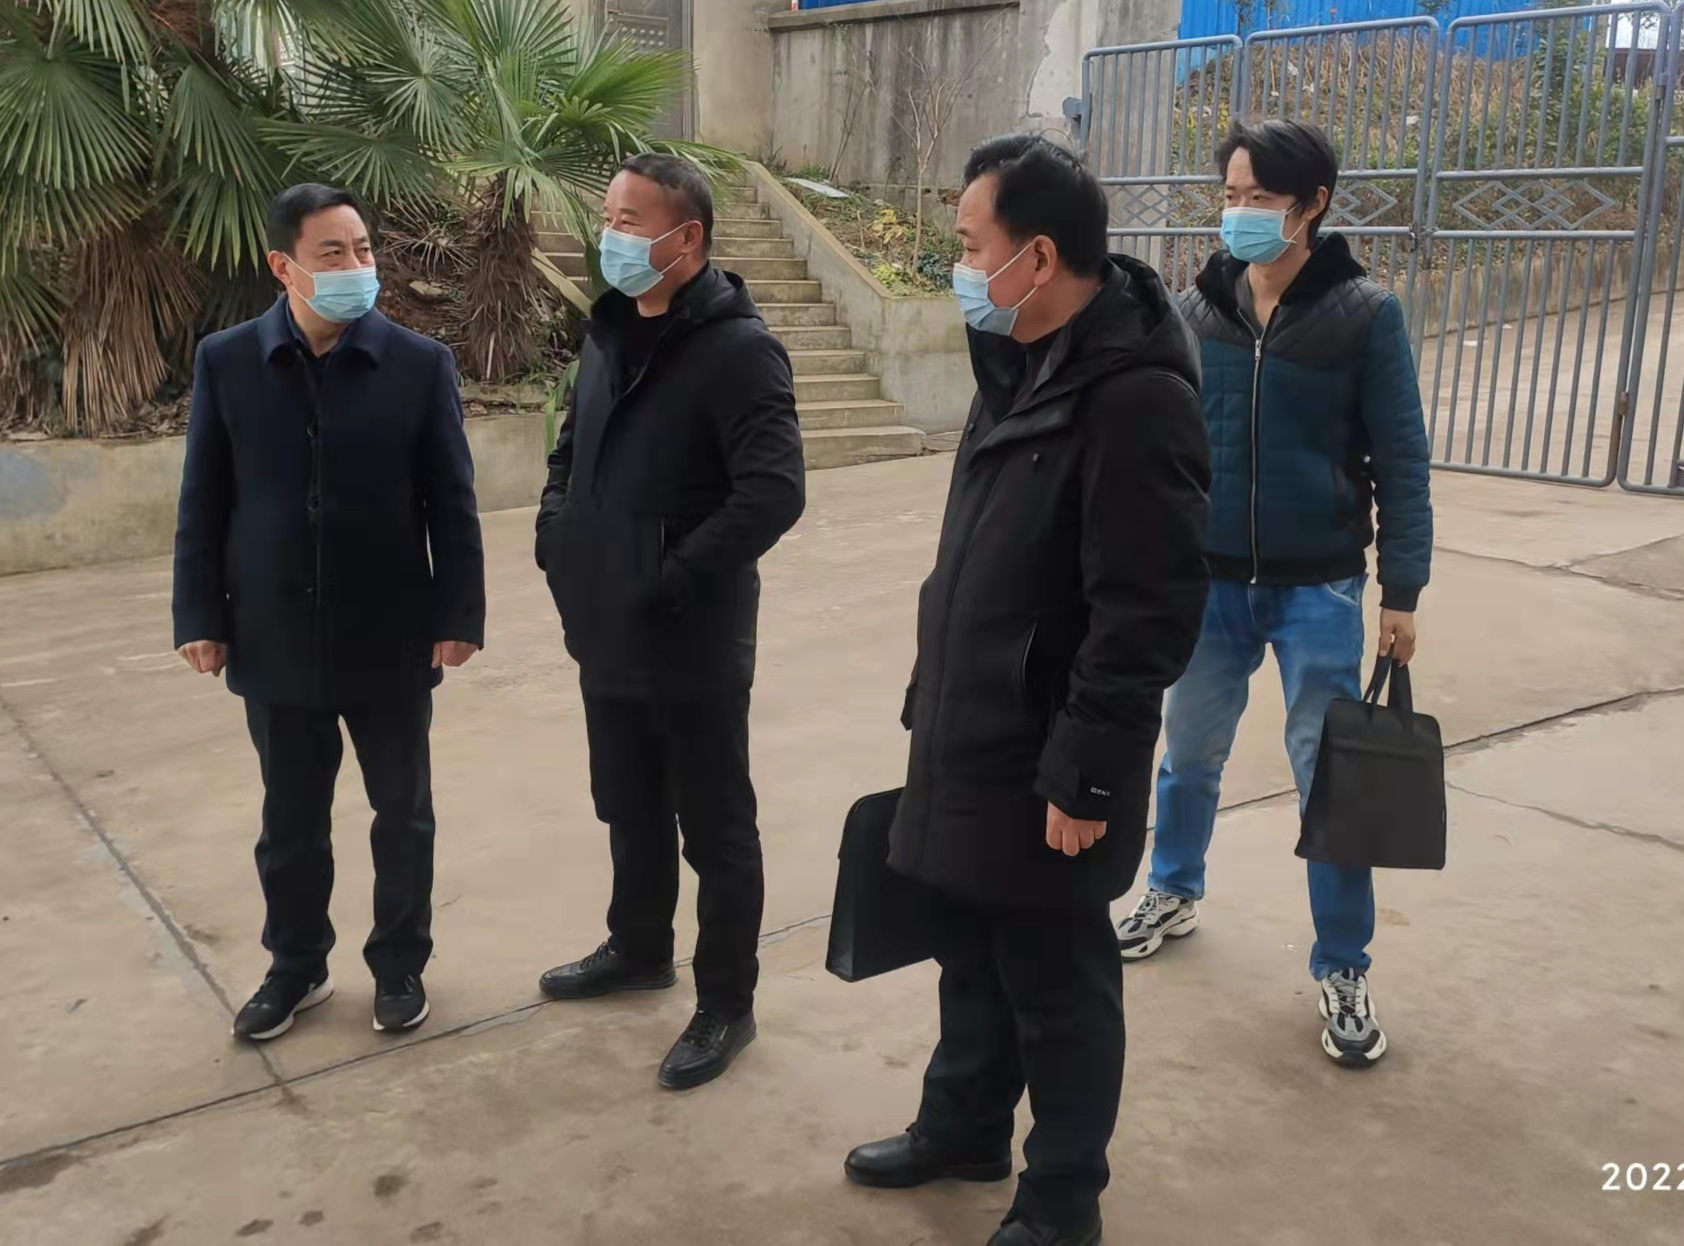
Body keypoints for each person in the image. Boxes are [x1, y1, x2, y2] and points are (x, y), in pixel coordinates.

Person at [844, 135, 1210, 1246]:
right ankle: (962, 1126)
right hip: (970, 726)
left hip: (1053, 754)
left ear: (1037, 256)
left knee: (1057, 985)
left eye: (970, 247)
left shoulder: (1136, 396)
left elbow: (1145, 611)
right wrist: (932, 692)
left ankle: (1062, 1199)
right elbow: (974, 559)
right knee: (968, 952)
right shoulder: (1014, 359)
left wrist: (1087, 770)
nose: (958, 268)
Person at [1114, 119, 1434, 1068]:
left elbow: (1401, 459)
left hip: (1318, 586)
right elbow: (1159, 445)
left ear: (1312, 204)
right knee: (1187, 755)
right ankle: (1172, 888)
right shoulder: (1194, 310)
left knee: (1327, 782)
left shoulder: (1363, 315)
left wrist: (1401, 590)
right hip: (1207, 580)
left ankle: (1342, 964)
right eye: (1231, 195)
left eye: (1260, 197)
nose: (1240, 213)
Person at [172, 182, 485, 1042]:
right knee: (290, 822)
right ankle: (296, 965)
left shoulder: (418, 363)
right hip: (272, 633)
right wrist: (198, 613)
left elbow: (451, 502)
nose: (356, 265)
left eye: (363, 248)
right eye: (332, 253)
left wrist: (458, 611)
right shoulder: (228, 361)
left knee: (403, 814)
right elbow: (203, 500)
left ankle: (399, 965)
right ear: (284, 266)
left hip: (390, 632)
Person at [533, 154, 805, 1091]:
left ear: (685, 238)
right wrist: (557, 534)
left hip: (691, 637)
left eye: (628, 220)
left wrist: (670, 575)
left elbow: (772, 491)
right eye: (607, 214)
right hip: (606, 626)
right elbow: (571, 448)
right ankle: (638, 945)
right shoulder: (610, 328)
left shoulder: (739, 350)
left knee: (715, 828)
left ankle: (726, 1000)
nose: (608, 233)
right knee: (627, 799)